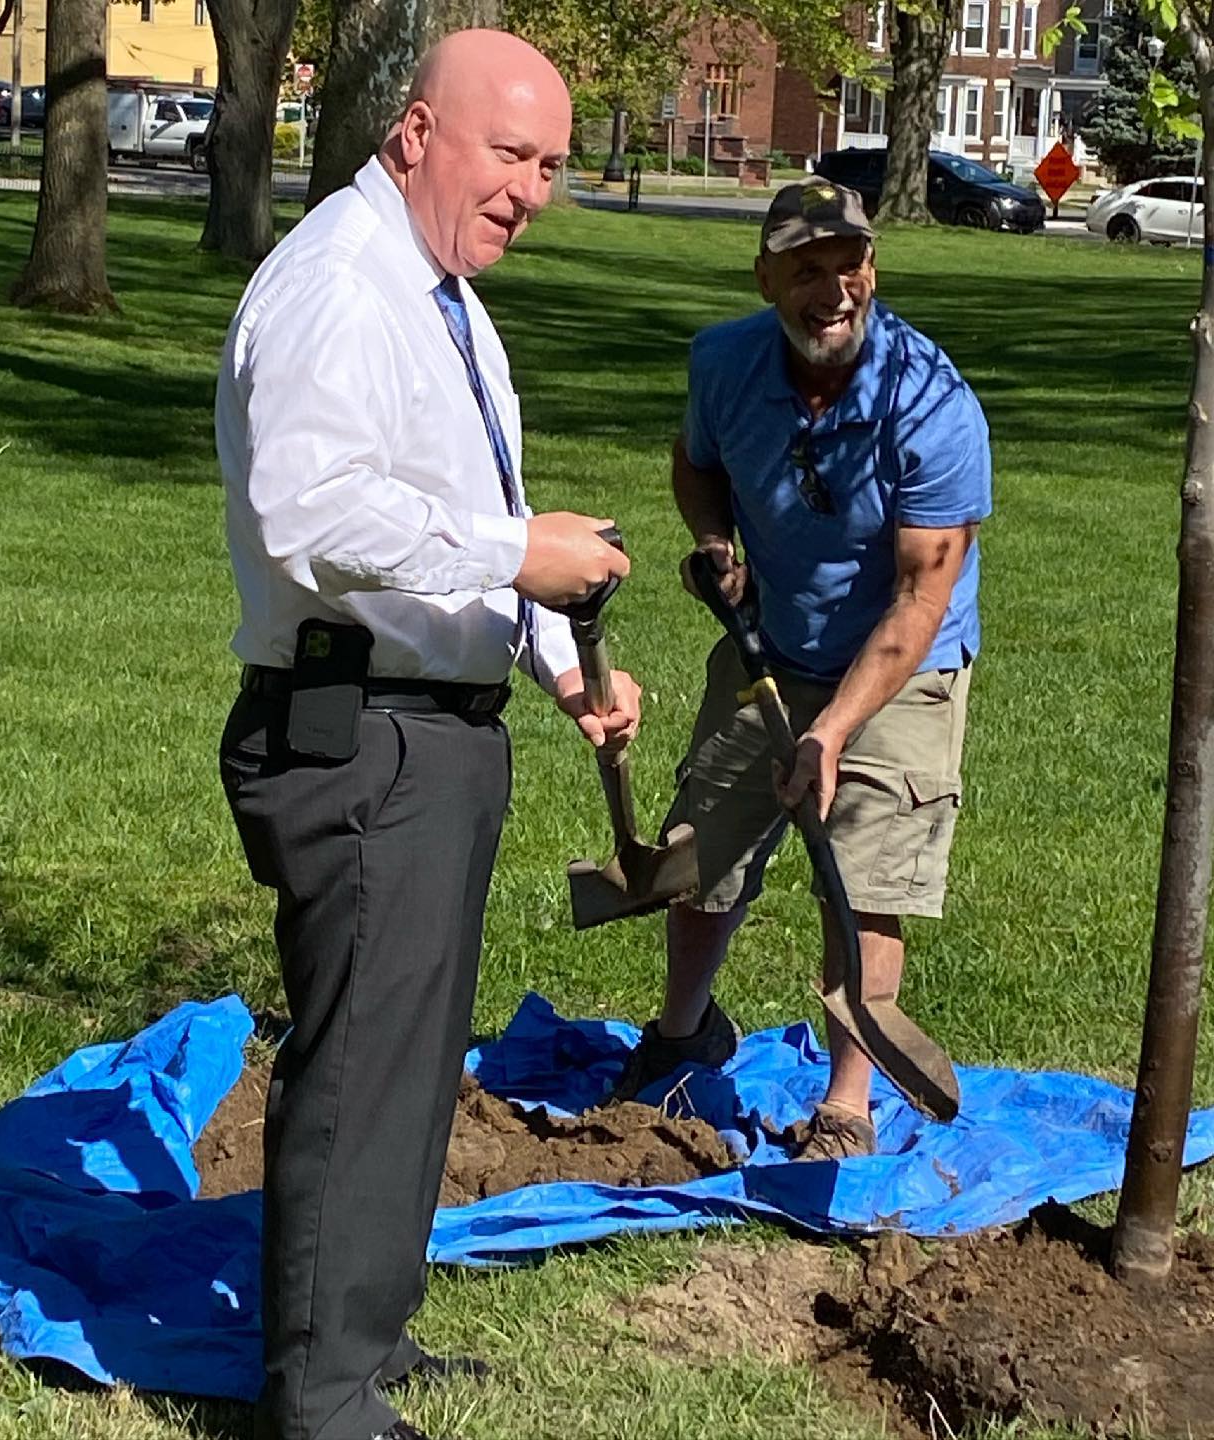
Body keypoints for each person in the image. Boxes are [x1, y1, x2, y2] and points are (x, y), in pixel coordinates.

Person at [215, 30, 639, 1440]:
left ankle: (364, 1339)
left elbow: (458, 508)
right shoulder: (342, 283)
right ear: (413, 133)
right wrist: (520, 556)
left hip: (428, 726)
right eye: (508, 153)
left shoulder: (439, 291)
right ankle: (321, 1397)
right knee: (363, 1065)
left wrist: (560, 658)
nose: (531, 190)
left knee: (410, 1061)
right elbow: (310, 511)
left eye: (551, 167)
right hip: (359, 733)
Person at [607, 179, 991, 1162]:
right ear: (766, 278)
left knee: (860, 880)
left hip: (901, 665)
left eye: (850, 265)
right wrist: (713, 541)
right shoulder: (724, 362)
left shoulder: (933, 403)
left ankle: (847, 1106)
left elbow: (922, 597)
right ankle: (682, 1037)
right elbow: (697, 463)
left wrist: (832, 732)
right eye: (807, 269)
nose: (834, 290)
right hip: (771, 645)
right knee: (702, 856)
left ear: (874, 269)